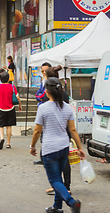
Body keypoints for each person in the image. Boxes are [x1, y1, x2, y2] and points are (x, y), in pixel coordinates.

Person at [29, 77, 86, 213]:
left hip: (49, 149)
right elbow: (72, 130)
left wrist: (32, 146)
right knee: (58, 178)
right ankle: (57, 206)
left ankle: (72, 202)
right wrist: (80, 148)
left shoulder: (43, 107)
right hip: (63, 147)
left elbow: (37, 131)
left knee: (54, 180)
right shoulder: (67, 107)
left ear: (47, 92)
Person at [44, 66, 72, 196]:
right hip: (63, 131)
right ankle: (63, 186)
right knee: (63, 161)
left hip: (56, 132)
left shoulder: (52, 95)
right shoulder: (63, 93)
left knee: (56, 162)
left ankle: (61, 186)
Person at [0, 71, 22, 149]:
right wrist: (20, 105)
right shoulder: (12, 86)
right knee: (9, 126)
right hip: (11, 108)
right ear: (8, 79)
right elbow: (18, 97)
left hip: (1, 108)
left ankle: (2, 138)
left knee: (0, 125)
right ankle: (8, 143)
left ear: (0, 79)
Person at [34, 62, 52, 165]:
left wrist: (39, 96)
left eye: (45, 70)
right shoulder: (43, 81)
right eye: (42, 70)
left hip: (48, 109)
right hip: (42, 108)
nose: (44, 72)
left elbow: (42, 95)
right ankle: (43, 157)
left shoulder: (50, 82)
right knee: (42, 134)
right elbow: (38, 94)